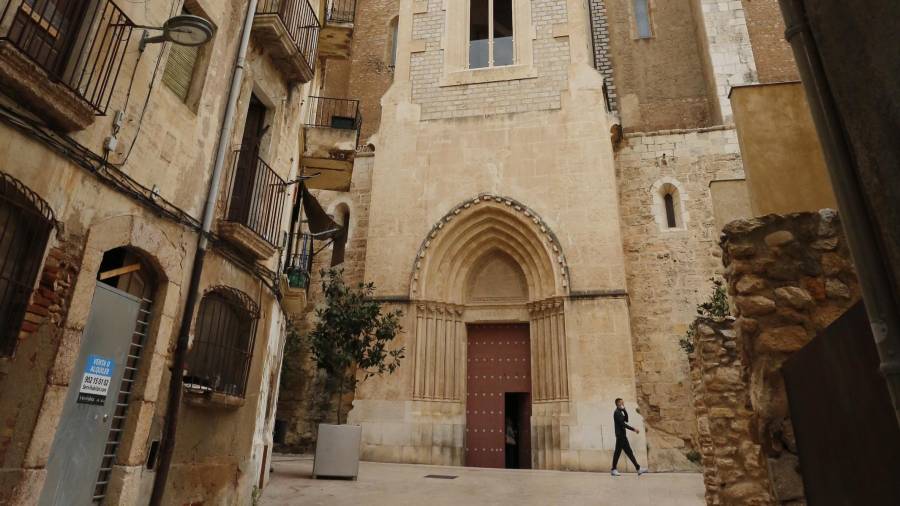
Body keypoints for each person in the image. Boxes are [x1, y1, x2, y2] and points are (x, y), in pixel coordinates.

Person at [611, 398, 648, 476]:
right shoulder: (617, 413)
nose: (623, 403)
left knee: (623, 452)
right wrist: (634, 429)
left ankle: (637, 468)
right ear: (618, 403)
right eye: (622, 402)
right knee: (624, 453)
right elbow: (623, 424)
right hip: (621, 436)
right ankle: (637, 468)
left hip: (622, 436)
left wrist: (624, 410)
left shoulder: (620, 412)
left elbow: (626, 419)